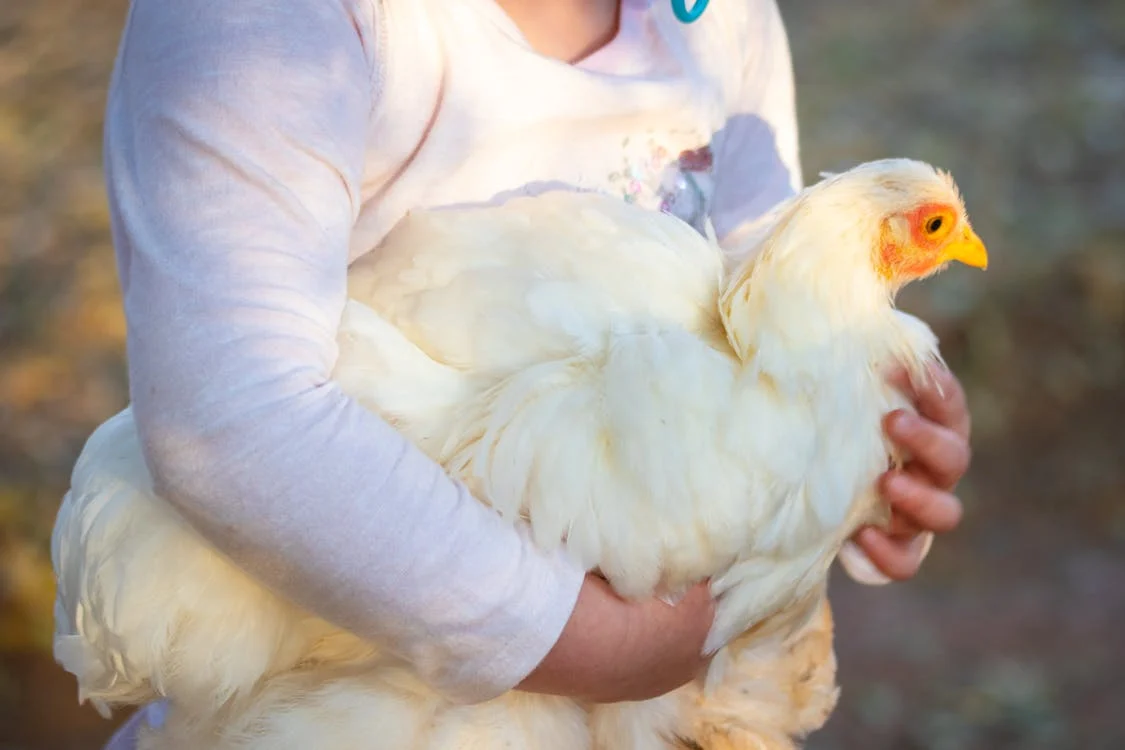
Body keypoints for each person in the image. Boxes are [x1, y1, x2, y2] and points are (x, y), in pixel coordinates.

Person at [99, 0, 969, 746]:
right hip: (367, 675)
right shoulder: (277, 25)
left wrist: (862, 443)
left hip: (657, 687)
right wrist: (586, 644)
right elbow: (233, 414)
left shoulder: (716, 20)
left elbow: (762, 298)